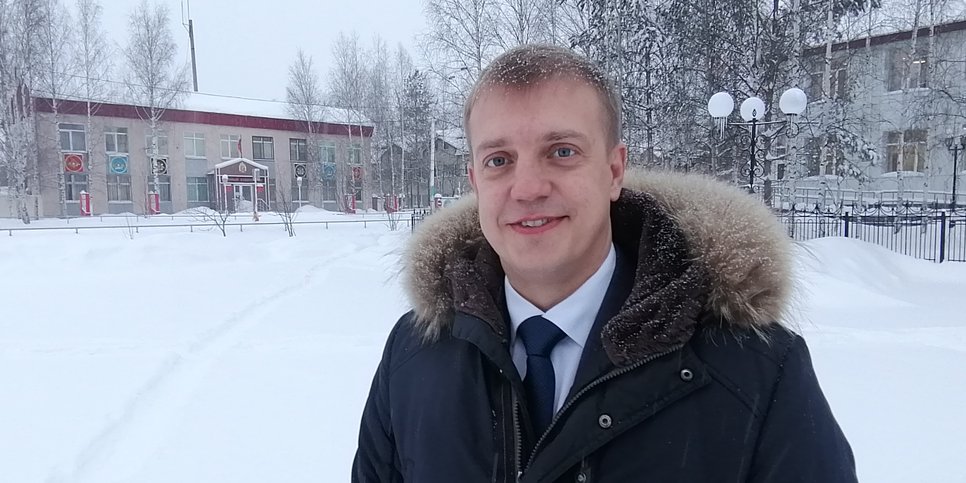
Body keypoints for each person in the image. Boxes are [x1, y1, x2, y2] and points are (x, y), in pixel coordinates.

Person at [353, 44, 856, 483]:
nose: (527, 188)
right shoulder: (413, 357)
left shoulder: (756, 371)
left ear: (614, 171)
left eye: (562, 151)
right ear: (474, 180)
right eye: (499, 160)